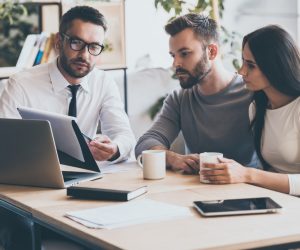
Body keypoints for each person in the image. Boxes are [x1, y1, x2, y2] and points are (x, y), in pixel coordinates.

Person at [0, 5, 135, 250]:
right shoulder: (21, 84)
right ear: (60, 41)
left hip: (85, 188)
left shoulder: (104, 83)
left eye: (94, 47)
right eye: (77, 43)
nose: (85, 54)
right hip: (29, 189)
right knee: (19, 226)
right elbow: (4, 147)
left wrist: (114, 148)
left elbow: (125, 136)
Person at [135, 13, 258, 173]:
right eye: (173, 55)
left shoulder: (252, 92)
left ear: (212, 52)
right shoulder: (179, 99)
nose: (175, 64)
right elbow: (146, 143)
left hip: (247, 194)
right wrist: (172, 158)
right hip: (194, 193)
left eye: (185, 53)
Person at [200, 25, 300, 195]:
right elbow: (267, 170)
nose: (241, 71)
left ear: (275, 66)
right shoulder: (256, 108)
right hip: (276, 199)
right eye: (243, 62)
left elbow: (257, 174)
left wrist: (247, 174)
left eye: (251, 65)